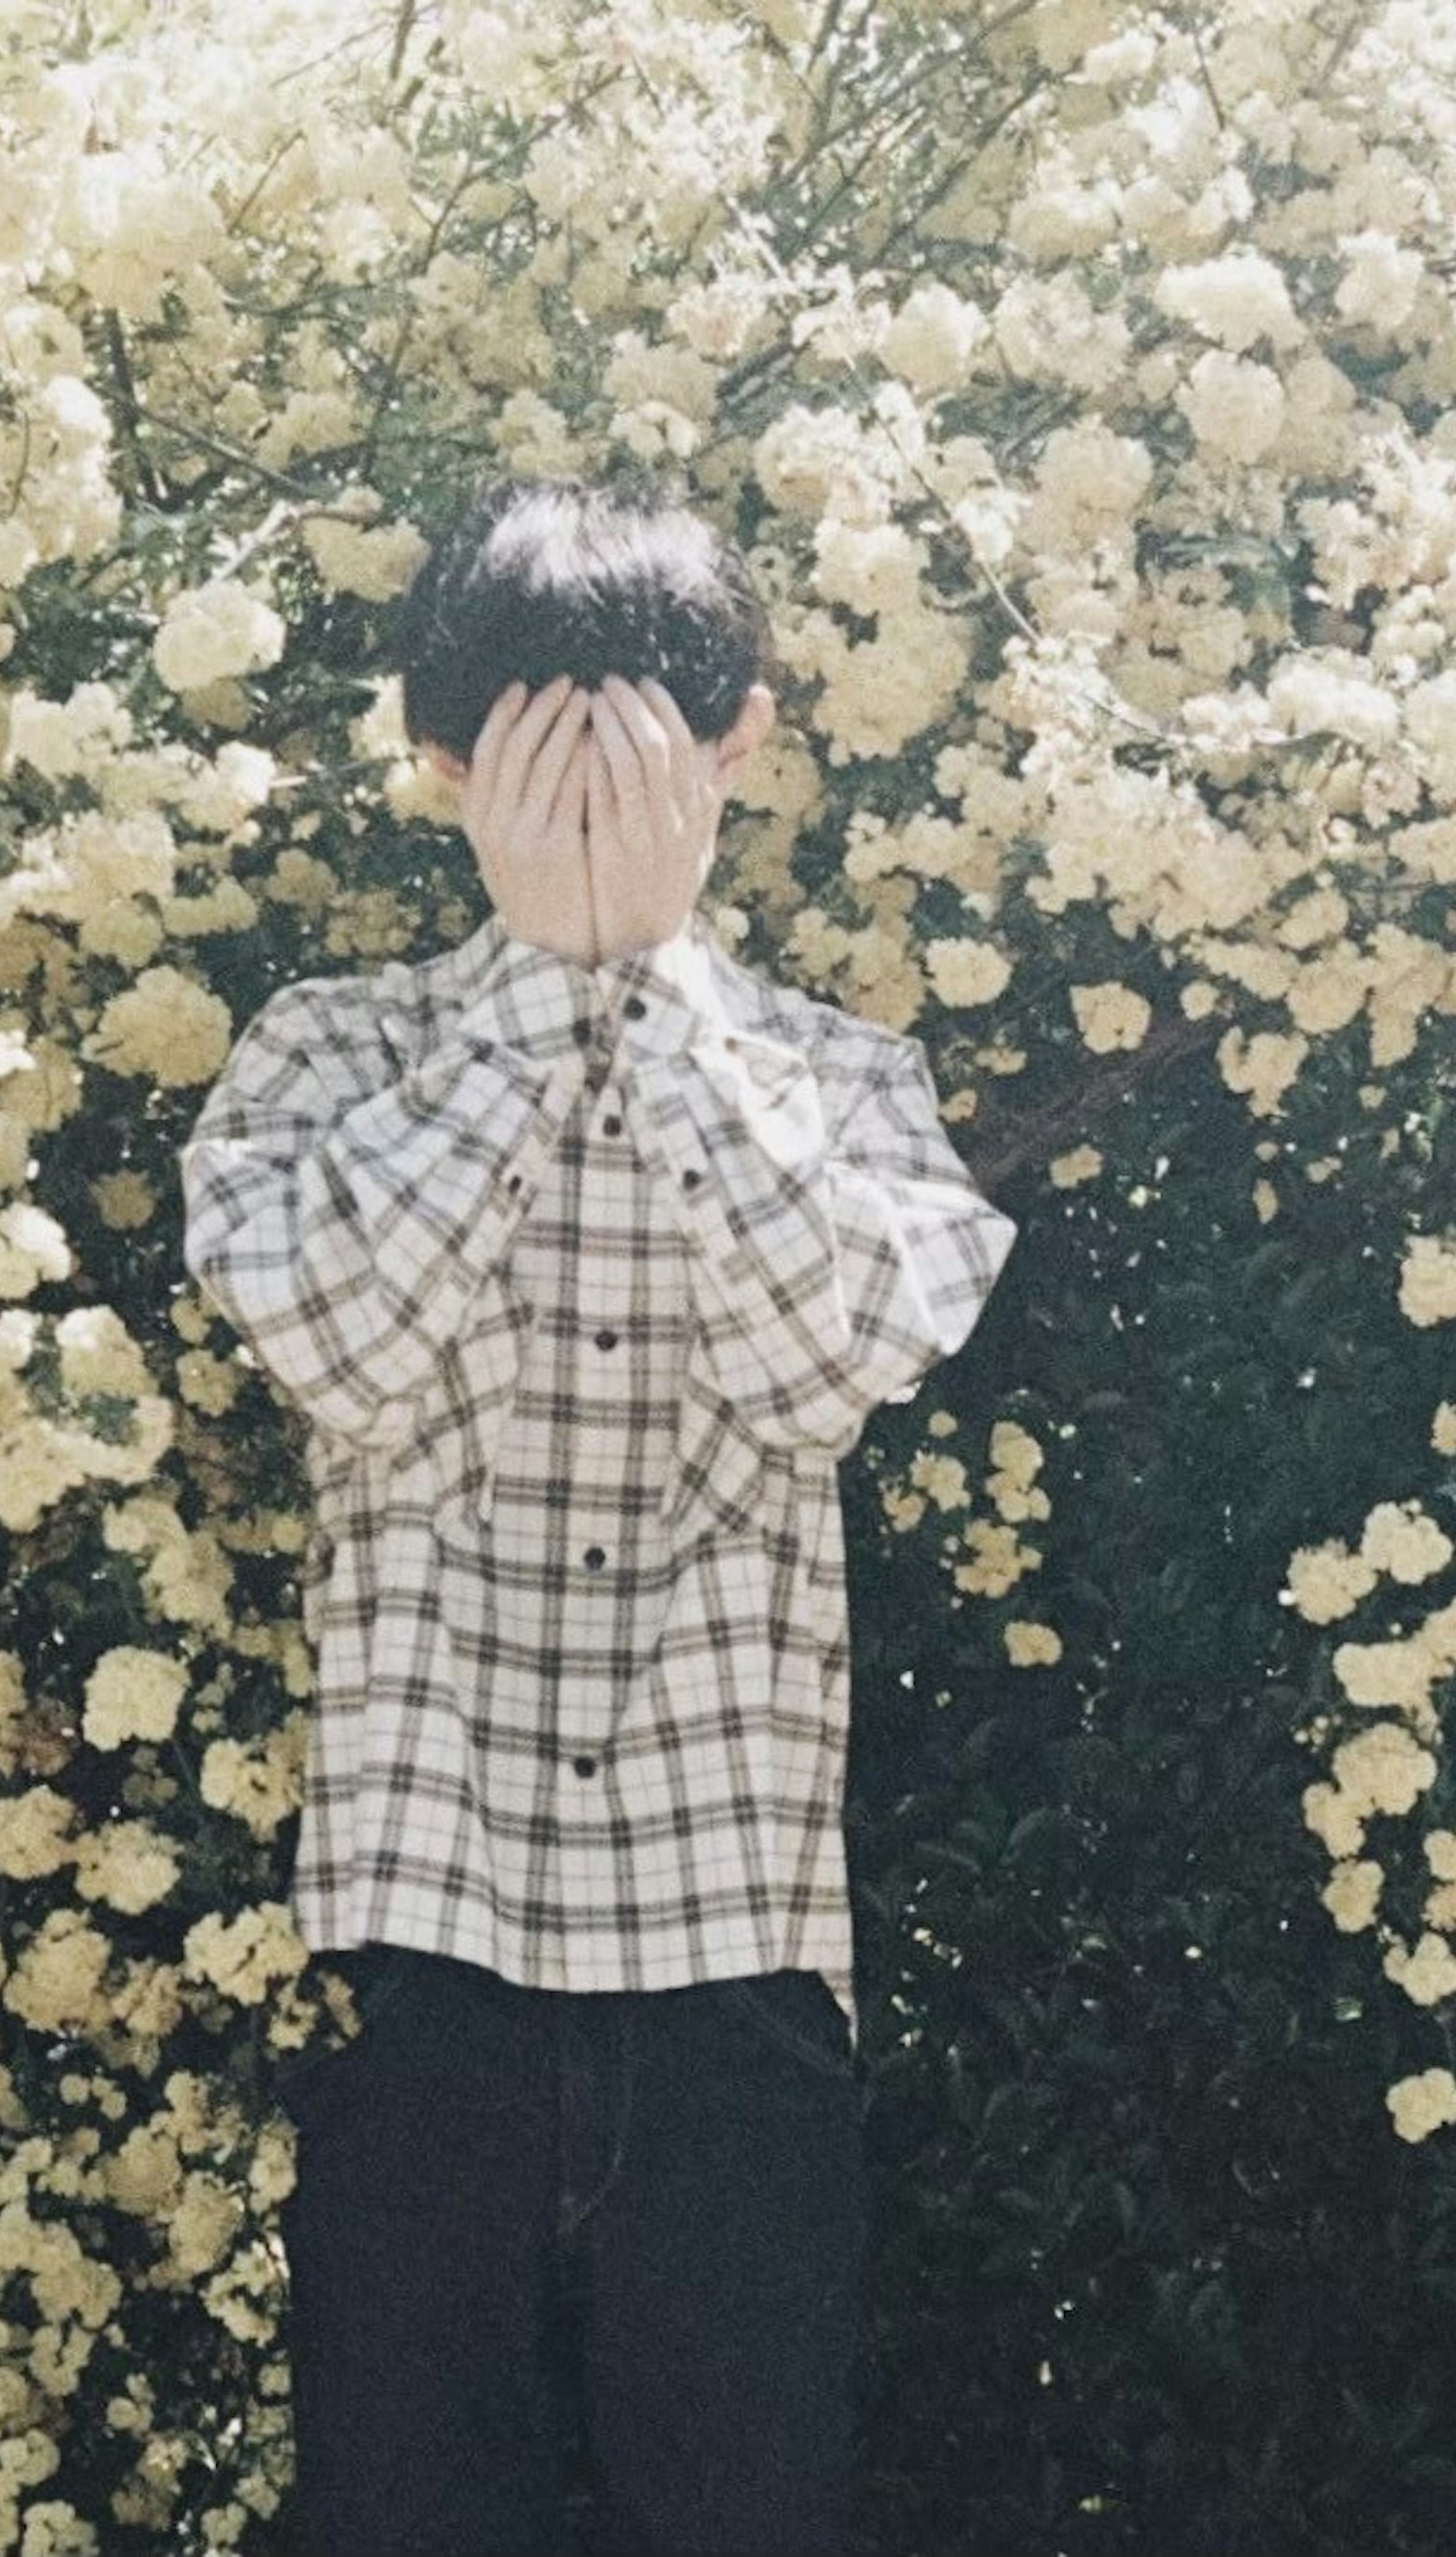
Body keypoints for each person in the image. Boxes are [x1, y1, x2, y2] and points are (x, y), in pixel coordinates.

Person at [177, 473, 1021, 2555]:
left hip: (735, 1966)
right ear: (448, 766)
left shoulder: (842, 1083)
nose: (594, 803)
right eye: (544, 761)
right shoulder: (327, 1055)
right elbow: (340, 1350)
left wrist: (645, 985)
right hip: (417, 1959)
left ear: (735, 750)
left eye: (639, 757)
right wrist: (551, 990)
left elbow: (837, 1349)